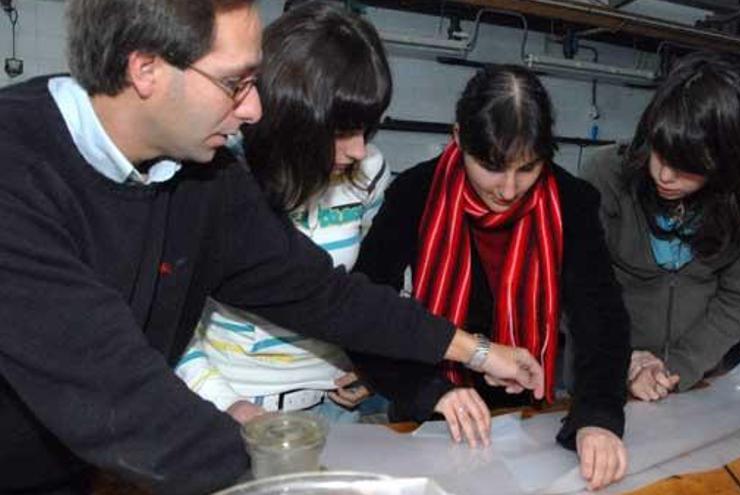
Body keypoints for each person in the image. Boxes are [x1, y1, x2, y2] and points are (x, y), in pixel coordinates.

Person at [0, 1, 544, 494]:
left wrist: (474, 351)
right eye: (235, 83)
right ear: (146, 70)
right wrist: (294, 479)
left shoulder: (203, 178)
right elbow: (119, 395)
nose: (255, 109)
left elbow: (323, 294)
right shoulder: (15, 172)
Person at [353, 65, 631, 491]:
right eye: (492, 167)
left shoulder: (572, 203)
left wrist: (598, 416)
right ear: (459, 136)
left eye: (528, 168)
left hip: (529, 417)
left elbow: (601, 319)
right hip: (430, 409)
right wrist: (428, 391)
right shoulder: (415, 193)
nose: (508, 189)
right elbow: (368, 311)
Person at [175, 1, 393, 423]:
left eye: (367, 129)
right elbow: (170, 321)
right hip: (228, 408)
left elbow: (359, 292)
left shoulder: (368, 171)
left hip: (335, 410)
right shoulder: (215, 176)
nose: (360, 149)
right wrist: (228, 404)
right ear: (292, 121)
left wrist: (372, 366)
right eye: (342, 132)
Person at [582, 53, 740, 402]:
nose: (664, 176)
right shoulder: (606, 177)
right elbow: (578, 291)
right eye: (659, 153)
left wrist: (675, 367)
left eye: (688, 166)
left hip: (697, 378)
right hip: (602, 370)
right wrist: (624, 361)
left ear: (730, 164)